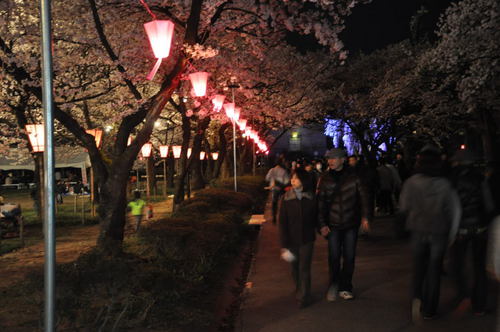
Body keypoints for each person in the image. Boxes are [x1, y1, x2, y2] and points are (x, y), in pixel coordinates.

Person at [398, 145, 460, 322]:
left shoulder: (411, 182)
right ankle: (430, 309)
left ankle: (417, 297)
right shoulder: (444, 184)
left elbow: (403, 207)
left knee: (418, 268)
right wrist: (452, 233)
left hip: (417, 228)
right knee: (434, 270)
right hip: (438, 231)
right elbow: (454, 210)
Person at [317, 148, 372, 301]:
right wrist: (321, 224)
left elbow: (364, 198)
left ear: (343, 159)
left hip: (350, 223)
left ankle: (346, 286)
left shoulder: (354, 177)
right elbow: (320, 203)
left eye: (334, 158)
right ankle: (334, 284)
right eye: (329, 159)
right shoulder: (324, 178)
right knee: (334, 257)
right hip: (333, 224)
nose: (331, 161)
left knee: (349, 256)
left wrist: (365, 217)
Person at [449, 149, 491, 316]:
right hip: (480, 228)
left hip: (460, 229)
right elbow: (488, 205)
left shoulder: (453, 179)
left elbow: (451, 206)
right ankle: (479, 305)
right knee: (479, 266)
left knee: (457, 264)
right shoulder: (481, 178)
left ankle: (463, 295)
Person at [278, 169, 317, 308]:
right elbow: (282, 223)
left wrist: (322, 228)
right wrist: (283, 244)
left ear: (303, 180)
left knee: (304, 268)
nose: (292, 181)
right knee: (294, 268)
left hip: (307, 239)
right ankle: (299, 289)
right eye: (292, 178)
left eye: (296, 178)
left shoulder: (311, 198)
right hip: (291, 240)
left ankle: (303, 296)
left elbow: (317, 217)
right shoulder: (286, 198)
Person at [265, 158, 290, 224]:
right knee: (282, 203)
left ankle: (274, 217)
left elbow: (267, 178)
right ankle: (282, 217)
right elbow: (287, 181)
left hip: (273, 189)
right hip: (281, 188)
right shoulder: (283, 171)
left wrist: (272, 180)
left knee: (274, 203)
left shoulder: (271, 170)